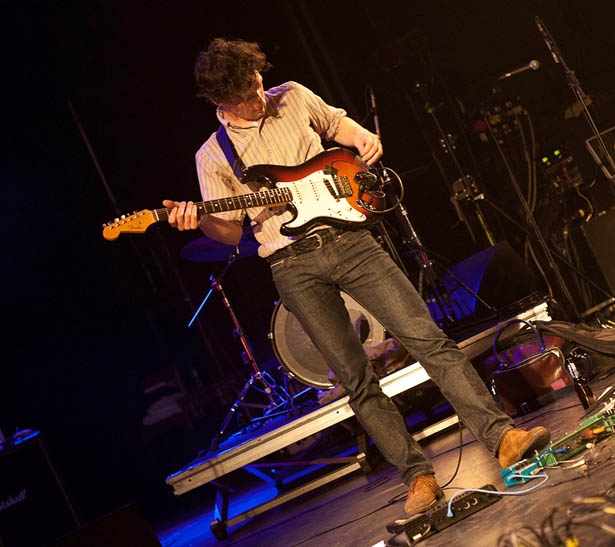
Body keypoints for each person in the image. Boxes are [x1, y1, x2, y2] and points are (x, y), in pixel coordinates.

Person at [164, 37, 550, 515]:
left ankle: (503, 436)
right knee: (355, 379)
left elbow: (335, 123)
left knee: (427, 338)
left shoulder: (292, 94)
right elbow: (227, 233)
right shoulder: (213, 155)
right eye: (245, 97)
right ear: (220, 102)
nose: (258, 99)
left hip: (352, 240)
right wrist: (198, 217)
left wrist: (362, 138)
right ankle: (419, 479)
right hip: (291, 263)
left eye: (258, 85)